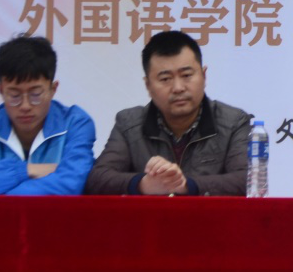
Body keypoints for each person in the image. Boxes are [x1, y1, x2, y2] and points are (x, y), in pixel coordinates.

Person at [84, 30, 250, 196]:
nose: (178, 88)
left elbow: (248, 179)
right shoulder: (128, 124)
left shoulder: (234, 122)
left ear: (204, 76)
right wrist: (142, 184)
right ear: (148, 85)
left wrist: (186, 185)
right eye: (165, 79)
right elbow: (97, 179)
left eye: (186, 75)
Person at [0, 35, 96, 195]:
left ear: (53, 89)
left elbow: (72, 183)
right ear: (1, 90)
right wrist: (25, 170)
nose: (25, 106)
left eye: (35, 94)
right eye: (14, 95)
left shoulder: (75, 123)